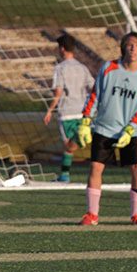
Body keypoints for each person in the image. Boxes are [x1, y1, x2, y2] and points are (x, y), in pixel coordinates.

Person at [77, 31, 137, 226]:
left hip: (131, 131)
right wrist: (86, 120)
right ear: (123, 47)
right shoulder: (109, 68)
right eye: (129, 45)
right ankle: (92, 214)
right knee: (96, 167)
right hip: (104, 127)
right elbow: (95, 94)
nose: (133, 49)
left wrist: (131, 129)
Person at [43, 34, 94, 183]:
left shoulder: (60, 68)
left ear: (62, 49)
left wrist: (49, 110)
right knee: (73, 145)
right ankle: (85, 136)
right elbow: (93, 87)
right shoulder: (82, 67)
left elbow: (58, 92)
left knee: (68, 147)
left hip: (67, 113)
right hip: (83, 112)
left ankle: (64, 176)